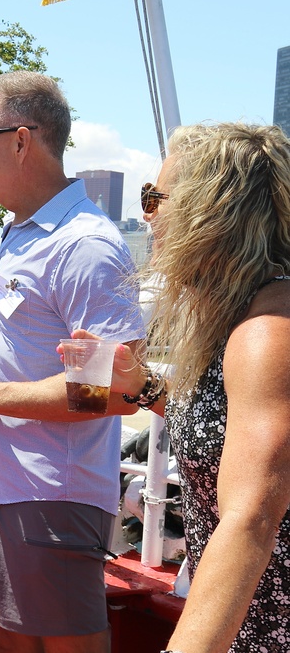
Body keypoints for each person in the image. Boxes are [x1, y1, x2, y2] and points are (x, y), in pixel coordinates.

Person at [0, 71, 145, 653]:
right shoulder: (24, 231)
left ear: (21, 141)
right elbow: (42, 329)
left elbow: (113, 392)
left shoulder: (84, 246)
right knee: (7, 641)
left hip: (49, 491)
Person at [91, 122, 290, 653]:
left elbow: (251, 516)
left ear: (212, 211)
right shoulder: (245, 316)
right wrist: (143, 386)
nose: (149, 215)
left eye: (156, 198)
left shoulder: (267, 332)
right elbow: (227, 426)